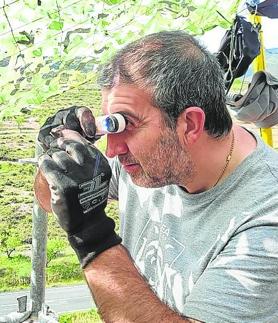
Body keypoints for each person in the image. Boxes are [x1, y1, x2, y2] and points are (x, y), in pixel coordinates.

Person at [38, 30, 278, 322]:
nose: (112, 151)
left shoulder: (267, 216)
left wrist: (92, 236)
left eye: (128, 124)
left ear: (190, 123)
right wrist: (58, 154)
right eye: (111, 127)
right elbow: (50, 200)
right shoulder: (150, 159)